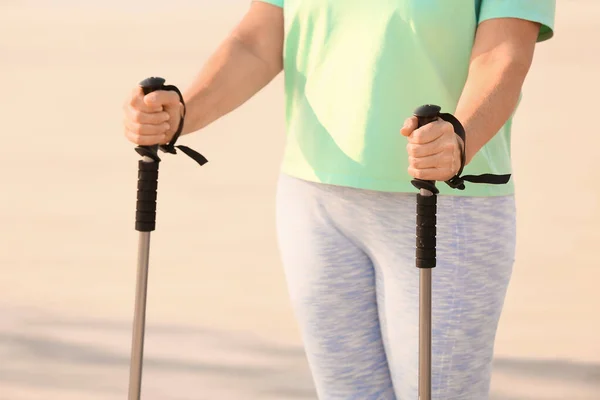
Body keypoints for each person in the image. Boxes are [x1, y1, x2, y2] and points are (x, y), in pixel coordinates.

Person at [122, 1, 555, 398]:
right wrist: (184, 112)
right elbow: (258, 40)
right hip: (314, 201)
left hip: (443, 204)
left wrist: (460, 138)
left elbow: (505, 53)